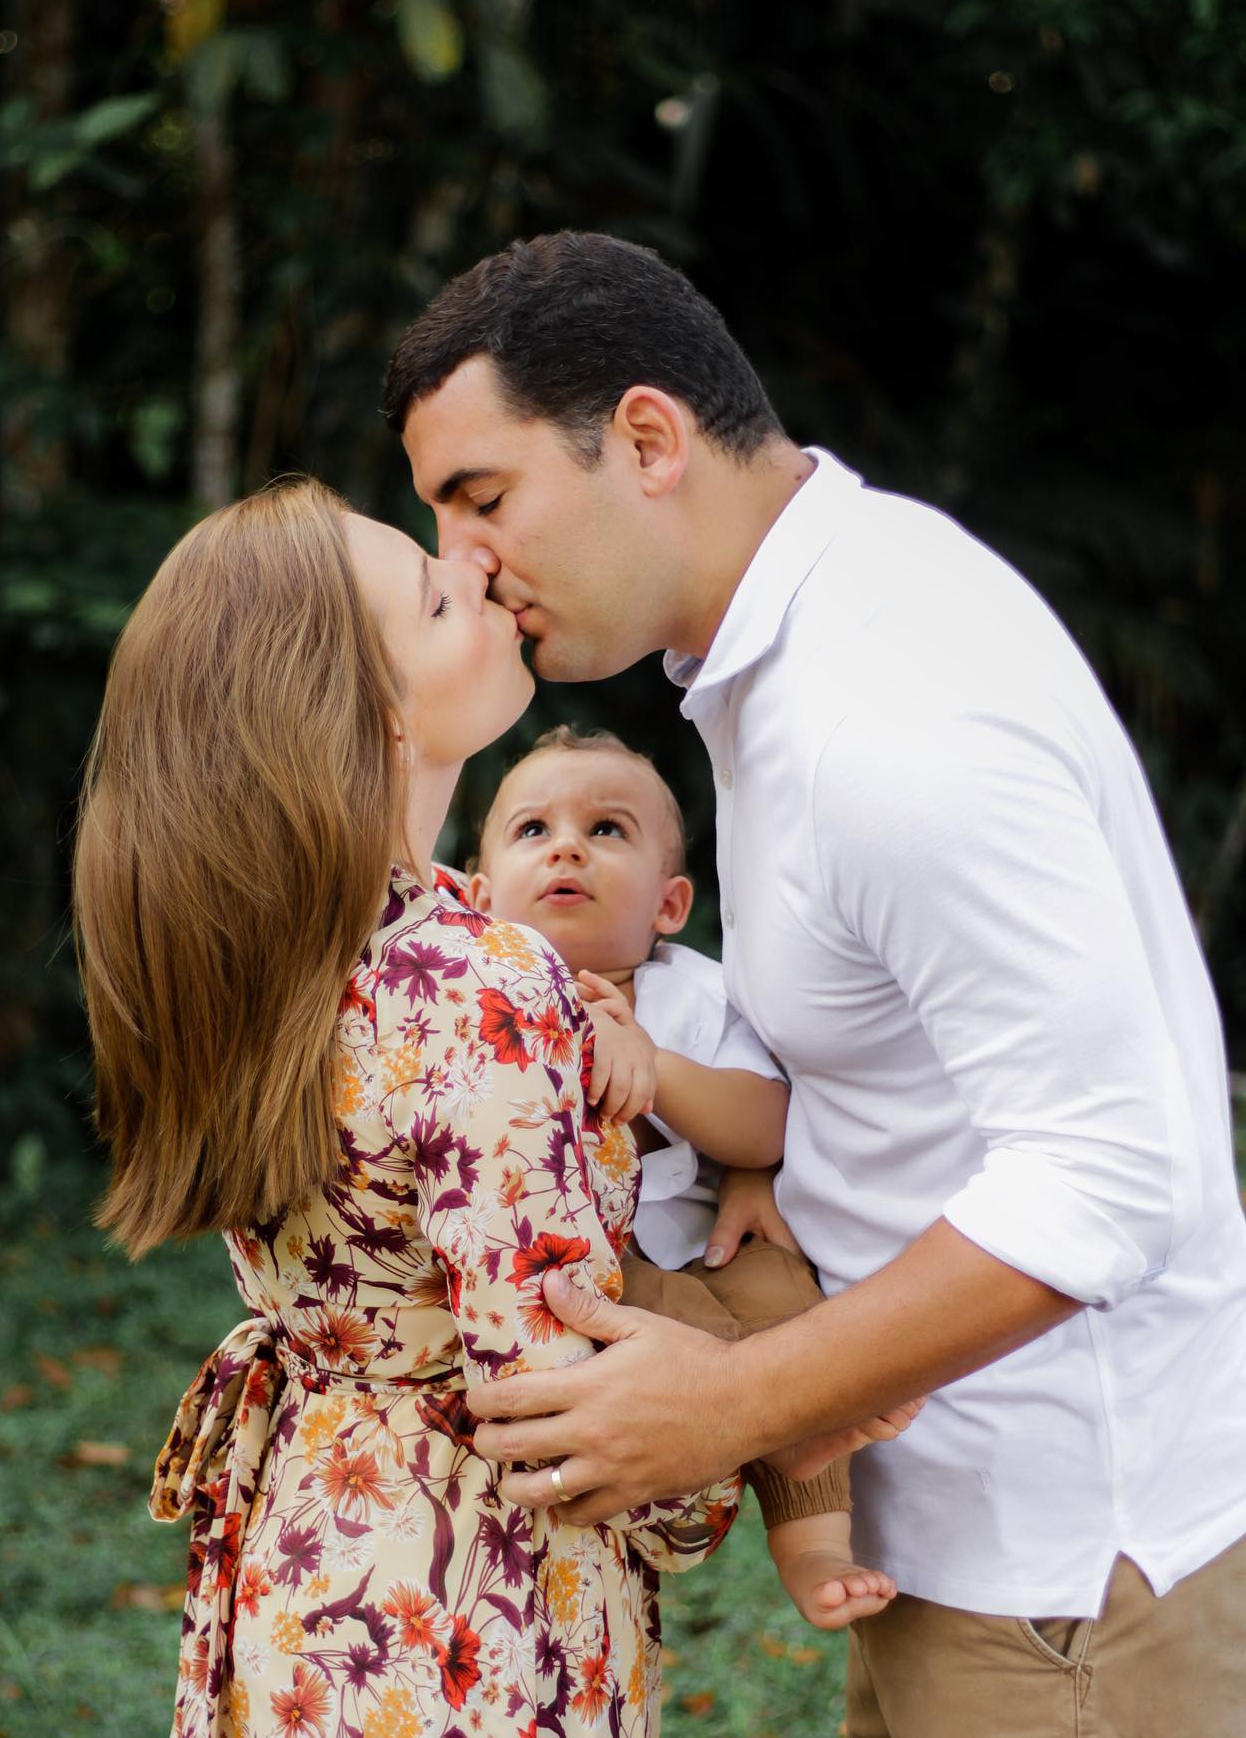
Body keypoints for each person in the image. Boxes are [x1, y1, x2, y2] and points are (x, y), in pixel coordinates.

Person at [381, 231, 1246, 1735]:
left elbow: (1118, 1168)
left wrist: (734, 1401)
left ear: (647, 438)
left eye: (484, 497)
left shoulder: (889, 703)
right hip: (975, 1566)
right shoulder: (792, 641)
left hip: (1073, 1594)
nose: (464, 562)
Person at [71, 480, 740, 1738]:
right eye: (439, 599)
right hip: (471, 1610)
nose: (475, 573)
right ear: (373, 717)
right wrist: (724, 1452)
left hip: (308, 1565)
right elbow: (549, 1386)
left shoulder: (284, 946)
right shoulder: (479, 979)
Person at [467, 721, 914, 1631]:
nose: (566, 846)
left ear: (669, 905)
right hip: (592, 1281)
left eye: (606, 830)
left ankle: (813, 1542)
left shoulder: (692, 992)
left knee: (792, 1299)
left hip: (709, 1246)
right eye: (532, 829)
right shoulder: (480, 996)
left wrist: (657, 1065)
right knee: (678, 1339)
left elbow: (769, 1122)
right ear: (478, 902)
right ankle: (770, 1422)